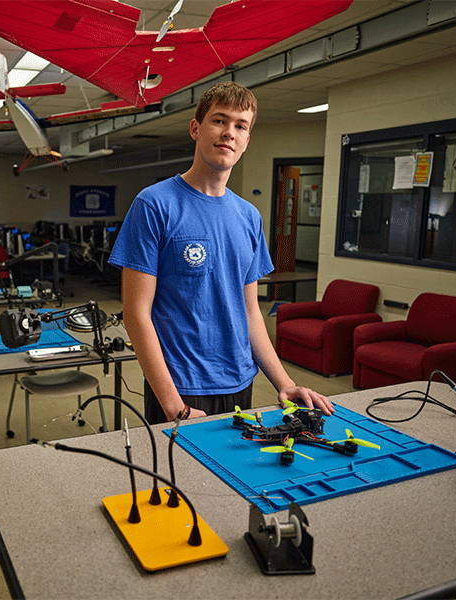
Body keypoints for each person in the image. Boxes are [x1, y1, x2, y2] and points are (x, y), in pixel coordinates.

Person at [108, 81, 334, 424]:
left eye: (240, 126)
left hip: (240, 382)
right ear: (196, 129)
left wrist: (285, 384)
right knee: (178, 479)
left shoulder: (249, 217)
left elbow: (250, 312)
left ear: (246, 140)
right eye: (219, 120)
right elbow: (135, 314)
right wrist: (172, 404)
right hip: (180, 387)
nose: (229, 132)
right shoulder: (154, 205)